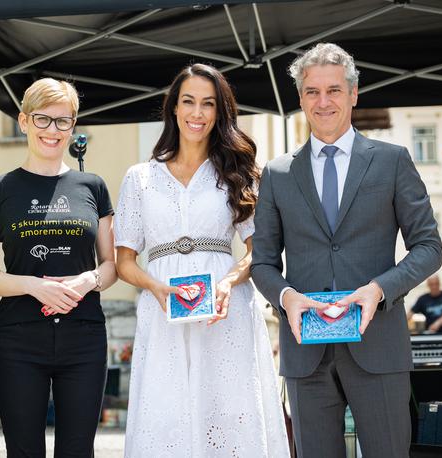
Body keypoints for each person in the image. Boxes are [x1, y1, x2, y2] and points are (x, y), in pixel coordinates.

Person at [251, 42, 442, 458]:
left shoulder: (393, 161)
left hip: (379, 344)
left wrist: (379, 288)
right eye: (313, 92)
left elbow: (429, 247)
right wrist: (286, 298)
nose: (324, 102)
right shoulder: (277, 173)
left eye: (334, 90)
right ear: (300, 97)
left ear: (354, 94)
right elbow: (263, 262)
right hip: (306, 352)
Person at [114, 63, 289, 457]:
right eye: (188, 102)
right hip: (162, 313)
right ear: (173, 108)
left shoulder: (238, 172)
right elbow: (124, 261)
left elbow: (258, 249)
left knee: (229, 412)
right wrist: (154, 286)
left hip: (226, 312)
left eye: (208, 104)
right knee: (166, 415)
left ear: (219, 112)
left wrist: (227, 283)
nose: (197, 113)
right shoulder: (139, 178)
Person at [0, 78, 117, 458]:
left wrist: (87, 280)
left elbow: (111, 265)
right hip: (19, 338)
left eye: (63, 121)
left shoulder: (93, 186)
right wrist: (36, 286)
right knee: (23, 451)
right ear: (23, 121)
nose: (52, 130)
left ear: (73, 126)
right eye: (42, 119)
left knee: (77, 450)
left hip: (84, 336)